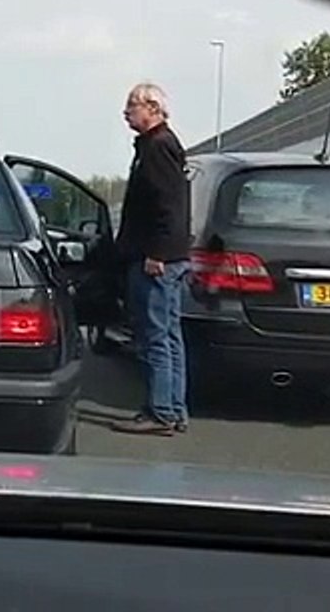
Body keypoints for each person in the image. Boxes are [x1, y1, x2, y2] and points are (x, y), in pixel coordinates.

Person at [111, 82, 193, 436]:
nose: (126, 112)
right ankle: (173, 409)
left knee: (155, 337)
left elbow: (169, 205)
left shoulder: (157, 148)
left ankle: (160, 412)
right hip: (168, 256)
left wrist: (157, 252)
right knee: (169, 336)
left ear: (153, 108)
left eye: (133, 105)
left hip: (157, 259)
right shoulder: (157, 145)